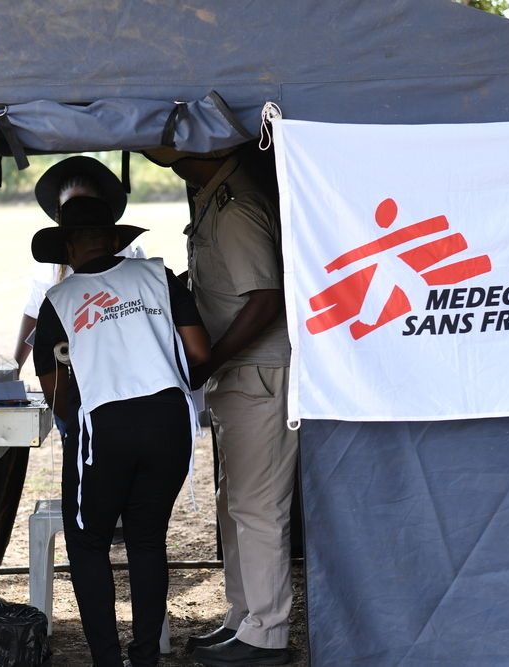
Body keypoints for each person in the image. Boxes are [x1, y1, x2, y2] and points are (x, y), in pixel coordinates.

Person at [32, 195, 210, 667]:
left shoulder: (59, 300)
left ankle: (108, 661)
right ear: (115, 240)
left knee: (89, 545)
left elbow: (56, 393)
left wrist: (79, 425)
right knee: (147, 539)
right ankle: (146, 656)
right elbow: (198, 354)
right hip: (169, 420)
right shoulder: (158, 276)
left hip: (104, 428)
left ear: (67, 248)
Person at [143, 144, 298, 667]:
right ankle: (244, 617)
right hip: (240, 372)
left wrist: (211, 362)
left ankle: (267, 633)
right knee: (236, 505)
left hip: (257, 370)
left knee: (258, 506)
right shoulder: (216, 197)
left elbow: (265, 298)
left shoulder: (235, 205)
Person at [14, 155, 145, 373]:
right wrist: (15, 366)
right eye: (72, 210)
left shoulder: (129, 255)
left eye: (87, 208)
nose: (81, 221)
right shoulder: (52, 265)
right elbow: (34, 314)